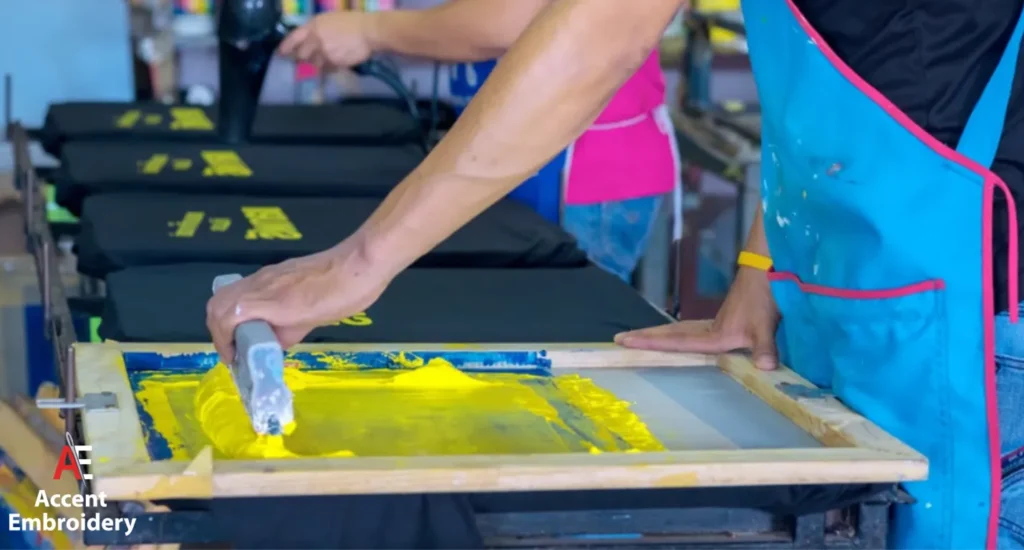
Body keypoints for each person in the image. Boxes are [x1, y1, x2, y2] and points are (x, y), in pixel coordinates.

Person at [207, 0, 1022, 548]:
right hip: (848, 291)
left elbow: (604, 25)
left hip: (986, 321)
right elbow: (836, 87)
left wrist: (359, 264)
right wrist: (758, 265)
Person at [278, 0, 680, 282]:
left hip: (582, 175)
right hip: (521, 159)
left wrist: (370, 31)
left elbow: (510, 19)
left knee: (554, 349)